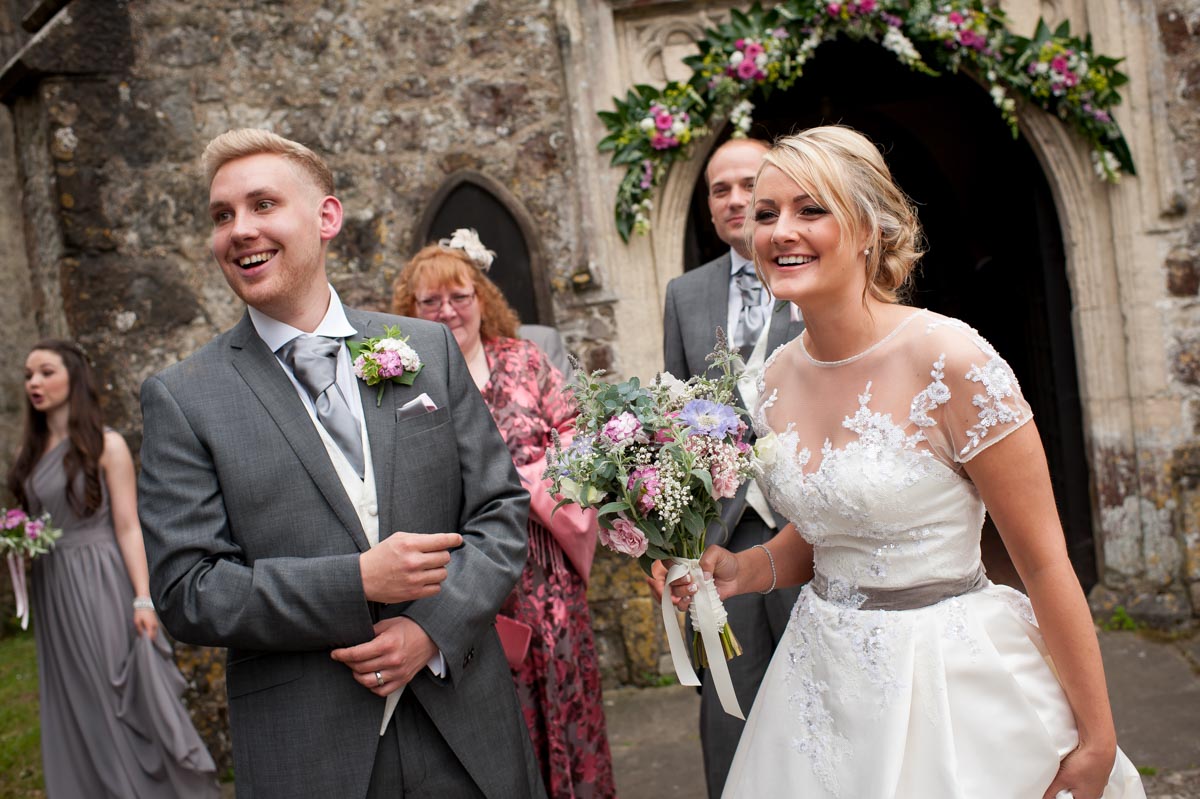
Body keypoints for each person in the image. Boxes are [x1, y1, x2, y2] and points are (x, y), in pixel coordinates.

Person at [669, 126, 1146, 799]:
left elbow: (1043, 561)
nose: (780, 231)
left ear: (868, 228)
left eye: (811, 209)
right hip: (819, 688)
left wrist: (1098, 739)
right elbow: (828, 529)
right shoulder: (775, 379)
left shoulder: (952, 361)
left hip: (950, 681)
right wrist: (742, 569)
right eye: (767, 213)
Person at [137, 130, 544, 798]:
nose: (240, 230)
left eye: (263, 204)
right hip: (313, 749)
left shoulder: (426, 349)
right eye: (222, 215)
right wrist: (355, 580)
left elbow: (499, 512)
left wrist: (429, 628)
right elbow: (189, 588)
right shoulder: (185, 397)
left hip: (466, 730)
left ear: (327, 217)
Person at [392, 229, 615, 799]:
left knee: (566, 698)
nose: (448, 311)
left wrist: (535, 480)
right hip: (462, 576)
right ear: (410, 311)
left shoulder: (524, 359)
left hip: (545, 572)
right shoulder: (405, 380)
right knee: (494, 716)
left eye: (459, 297)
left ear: (481, 299)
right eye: (431, 301)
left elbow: (578, 434)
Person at [654, 136, 804, 798]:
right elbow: (675, 422)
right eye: (721, 189)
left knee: (822, 698)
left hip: (811, 529)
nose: (737, 199)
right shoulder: (685, 294)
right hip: (721, 538)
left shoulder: (816, 272)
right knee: (728, 711)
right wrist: (670, 542)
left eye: (751, 184)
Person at [6, 340, 218, 798]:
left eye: (45, 372)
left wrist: (143, 597)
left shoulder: (107, 445)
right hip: (52, 584)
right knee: (73, 695)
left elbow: (128, 526)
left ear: (74, 377)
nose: (34, 384)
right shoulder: (30, 447)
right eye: (28, 376)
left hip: (100, 579)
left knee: (113, 691)